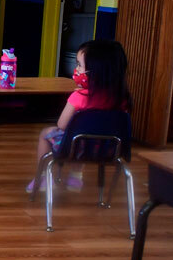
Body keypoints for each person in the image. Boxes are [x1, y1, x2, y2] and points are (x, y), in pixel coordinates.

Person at [29, 39, 130, 193]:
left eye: (79, 65)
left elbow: (62, 125)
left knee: (50, 134)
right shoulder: (121, 98)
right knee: (87, 135)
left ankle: (42, 178)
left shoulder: (79, 96)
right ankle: (76, 177)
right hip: (109, 150)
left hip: (75, 148)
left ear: (96, 71)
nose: (76, 69)